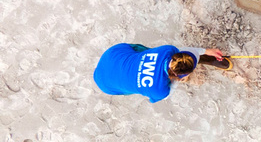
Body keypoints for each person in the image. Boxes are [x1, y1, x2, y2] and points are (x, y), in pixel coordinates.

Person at [94, 43, 232, 103]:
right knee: (133, 86)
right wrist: (178, 80)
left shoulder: (167, 50)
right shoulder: (160, 92)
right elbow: (163, 95)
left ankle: (203, 60)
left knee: (140, 62)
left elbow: (182, 50)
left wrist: (206, 51)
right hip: (107, 85)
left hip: (113, 55)